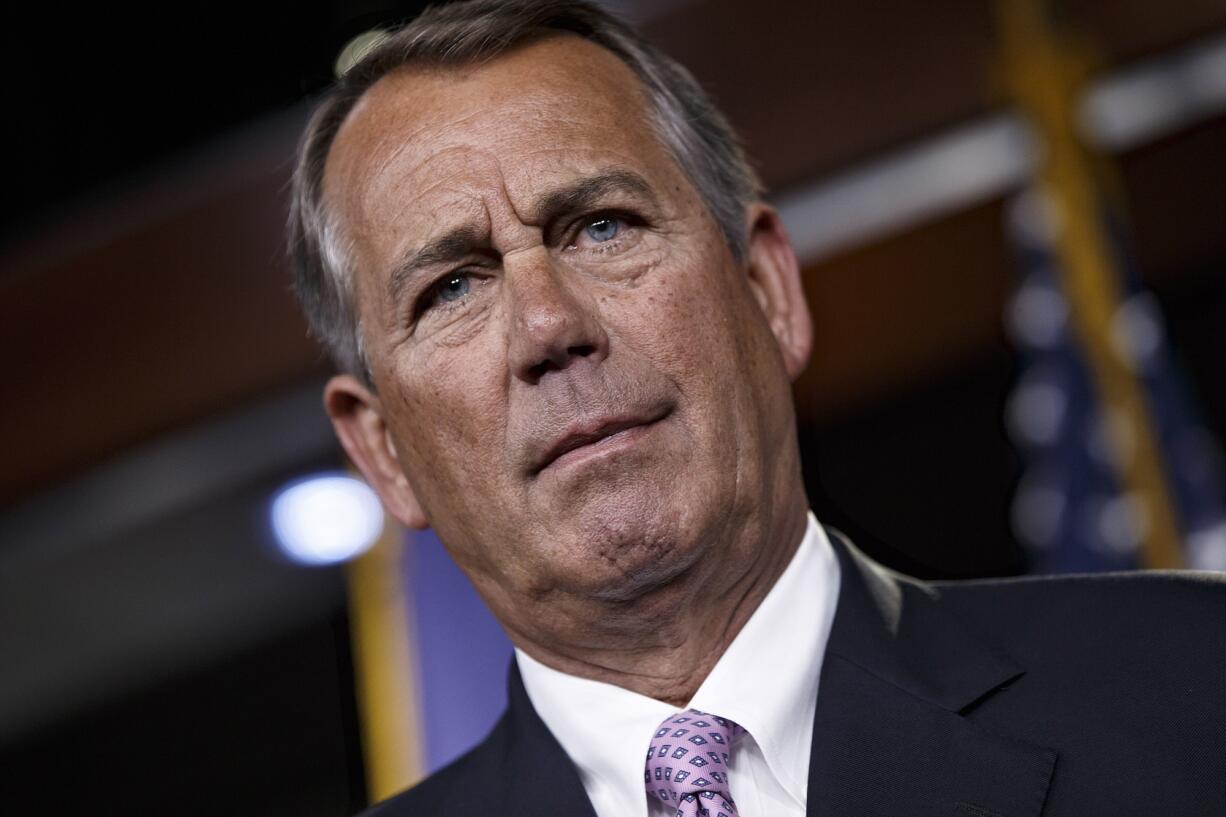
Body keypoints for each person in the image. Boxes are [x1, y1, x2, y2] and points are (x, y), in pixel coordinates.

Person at [287, 2, 1226, 815]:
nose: (547, 325)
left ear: (769, 288)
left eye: (603, 226)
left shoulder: (1194, 686)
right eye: (452, 288)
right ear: (383, 455)